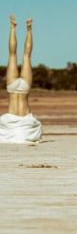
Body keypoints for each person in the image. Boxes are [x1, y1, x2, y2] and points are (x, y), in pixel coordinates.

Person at [0, 16, 42, 144]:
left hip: (22, 89)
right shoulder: (10, 126)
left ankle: (25, 28)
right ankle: (15, 27)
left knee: (23, 56)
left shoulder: (28, 125)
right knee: (19, 55)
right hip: (14, 88)